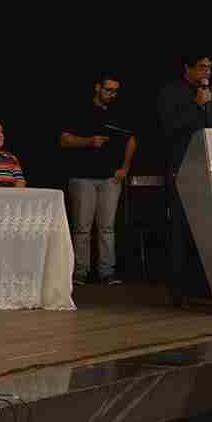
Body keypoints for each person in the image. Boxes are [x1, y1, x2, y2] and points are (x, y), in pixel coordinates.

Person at [60, 73, 136, 286]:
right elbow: (64, 140)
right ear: (97, 88)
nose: (112, 94)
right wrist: (88, 141)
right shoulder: (79, 110)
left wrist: (125, 168)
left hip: (110, 178)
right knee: (82, 228)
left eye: (115, 91)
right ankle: (80, 272)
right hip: (82, 177)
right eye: (108, 90)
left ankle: (107, 271)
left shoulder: (119, 113)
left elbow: (131, 140)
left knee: (107, 228)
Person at [158, 55, 212, 305]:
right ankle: (180, 290)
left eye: (210, 68)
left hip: (211, 172)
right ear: (188, 68)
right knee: (181, 229)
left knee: (211, 228)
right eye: (202, 67)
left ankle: (207, 287)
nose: (207, 72)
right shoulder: (171, 93)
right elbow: (168, 128)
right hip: (182, 169)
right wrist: (195, 105)